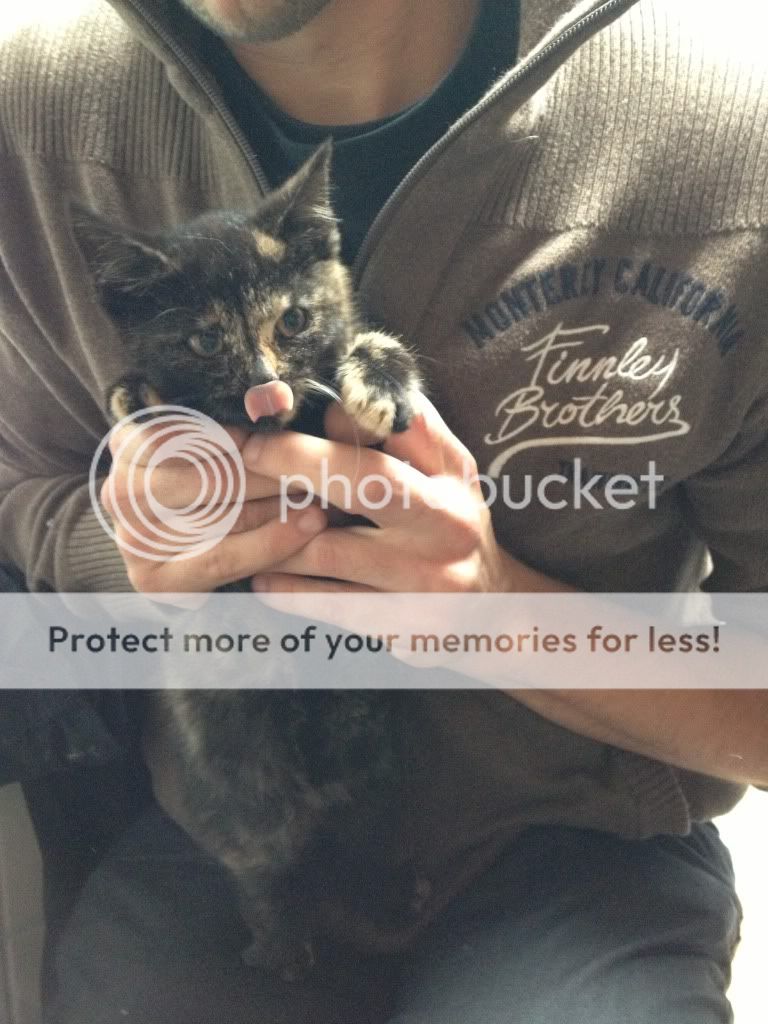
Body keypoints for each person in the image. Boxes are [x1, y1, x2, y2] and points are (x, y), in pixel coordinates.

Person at [0, 0, 765, 1020]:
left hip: (575, 843)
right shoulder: (31, 112)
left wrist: (500, 614)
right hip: (232, 824)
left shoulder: (730, 140)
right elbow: (21, 487)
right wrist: (133, 542)